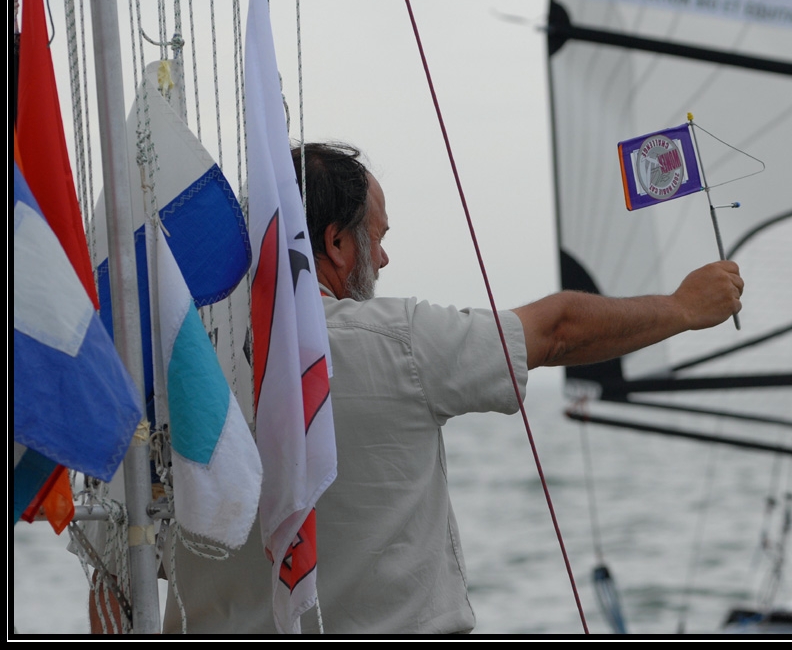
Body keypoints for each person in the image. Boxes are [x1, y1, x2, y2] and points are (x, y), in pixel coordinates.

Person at [162, 141, 743, 634]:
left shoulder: (182, 372)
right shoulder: (396, 341)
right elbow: (559, 330)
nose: (384, 258)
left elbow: (125, 570)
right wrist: (683, 307)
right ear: (335, 244)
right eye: (376, 237)